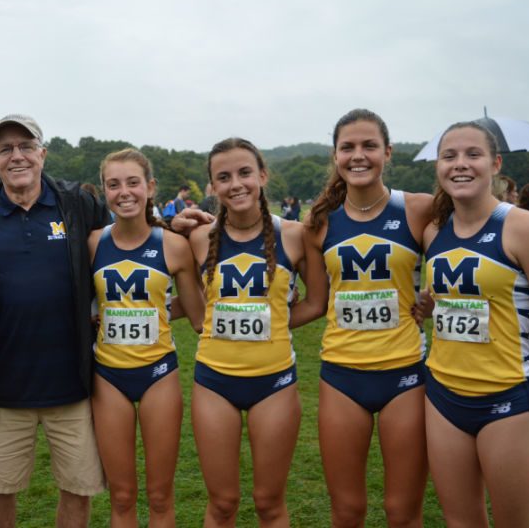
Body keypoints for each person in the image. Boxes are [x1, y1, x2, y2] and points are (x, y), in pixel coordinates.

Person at [0, 114, 110, 528]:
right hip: (2, 389)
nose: (16, 156)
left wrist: (174, 225)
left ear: (43, 152)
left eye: (25, 146)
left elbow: (126, 241)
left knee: (78, 489)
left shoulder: (79, 203)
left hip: (73, 385)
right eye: (5, 149)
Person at [422, 121, 529, 527]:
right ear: (438, 166)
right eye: (449, 156)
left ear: (495, 163)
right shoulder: (433, 232)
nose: (460, 164)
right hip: (442, 397)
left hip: (505, 400)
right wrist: (427, 304)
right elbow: (446, 302)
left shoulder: (525, 228)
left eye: (473, 154)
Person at [188, 138, 327, 527]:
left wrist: (276, 321)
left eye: (245, 173)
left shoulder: (297, 235)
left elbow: (317, 302)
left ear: (262, 176)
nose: (236, 184)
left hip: (275, 383)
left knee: (269, 503)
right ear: (212, 187)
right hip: (214, 382)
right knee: (222, 504)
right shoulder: (199, 238)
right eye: (224, 177)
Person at [305, 109, 433, 528]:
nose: (358, 156)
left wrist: (437, 299)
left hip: (405, 374)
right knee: (347, 511)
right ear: (336, 155)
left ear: (388, 153)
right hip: (342, 375)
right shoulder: (319, 223)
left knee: (402, 512)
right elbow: (313, 301)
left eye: (369, 146)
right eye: (348, 147)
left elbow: (467, 252)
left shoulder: (419, 209)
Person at [88, 148, 206, 527]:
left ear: (150, 187)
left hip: (159, 374)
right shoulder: (92, 244)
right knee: (121, 497)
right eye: (114, 184)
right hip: (108, 376)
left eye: (133, 182)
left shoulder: (173, 245)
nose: (124, 192)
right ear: (104, 191)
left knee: (159, 495)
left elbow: (198, 313)